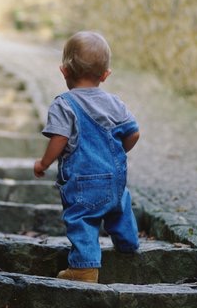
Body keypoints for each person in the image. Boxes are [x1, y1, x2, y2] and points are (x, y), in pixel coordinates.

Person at [34, 31, 140, 283]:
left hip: (83, 181)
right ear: (105, 75)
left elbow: (59, 138)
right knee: (120, 205)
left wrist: (44, 163)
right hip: (114, 179)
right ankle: (128, 243)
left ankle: (84, 268)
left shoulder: (64, 104)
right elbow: (134, 133)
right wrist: (116, 153)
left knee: (81, 217)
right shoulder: (115, 103)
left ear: (64, 71)